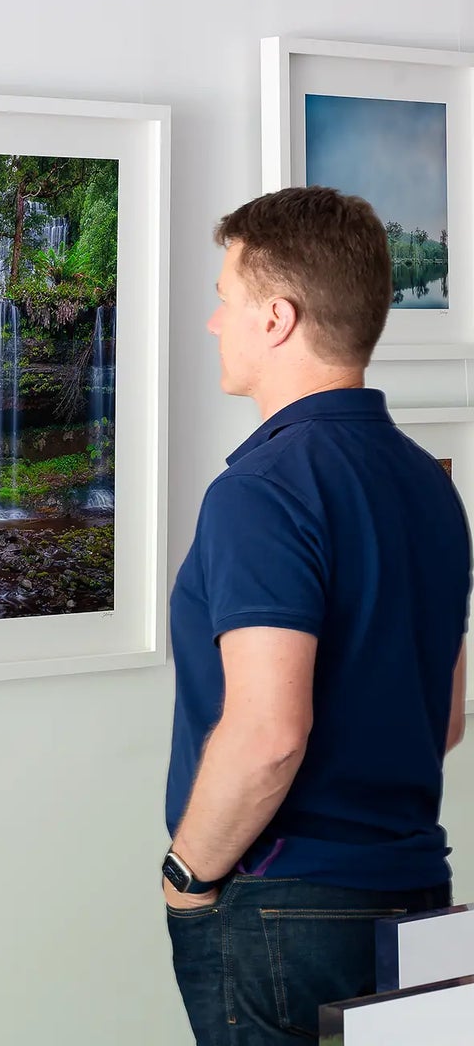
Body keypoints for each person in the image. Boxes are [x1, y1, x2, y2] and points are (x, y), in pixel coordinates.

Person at [164, 185, 470, 1044]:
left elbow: (268, 735)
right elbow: (443, 721)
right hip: (416, 900)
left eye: (225, 300)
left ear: (277, 317)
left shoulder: (259, 492)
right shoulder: (430, 486)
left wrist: (188, 873)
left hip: (283, 908)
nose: (215, 323)